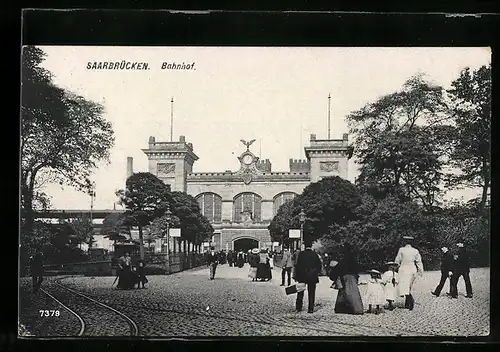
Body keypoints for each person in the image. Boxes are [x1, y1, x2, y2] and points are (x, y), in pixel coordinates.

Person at [330, 244, 364, 315]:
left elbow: (338, 269)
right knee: (353, 293)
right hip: (353, 277)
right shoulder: (354, 259)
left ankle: (342, 308)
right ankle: (357, 309)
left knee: (343, 293)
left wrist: (333, 276)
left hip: (345, 277)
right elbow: (358, 268)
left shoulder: (343, 260)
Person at [394, 236, 424, 310]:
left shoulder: (401, 250)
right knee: (408, 287)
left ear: (404, 242)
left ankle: (410, 301)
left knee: (404, 286)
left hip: (404, 269)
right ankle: (407, 303)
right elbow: (419, 262)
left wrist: (394, 268)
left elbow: (397, 260)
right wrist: (420, 271)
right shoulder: (415, 251)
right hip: (412, 269)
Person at [294, 242, 322, 313]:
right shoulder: (314, 254)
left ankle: (299, 307)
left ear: (305, 246)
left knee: (300, 291)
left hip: (302, 275)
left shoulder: (301, 254)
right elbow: (319, 265)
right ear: (311, 246)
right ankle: (310, 308)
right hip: (312, 276)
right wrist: (316, 272)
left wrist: (296, 276)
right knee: (311, 292)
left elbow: (298, 265)